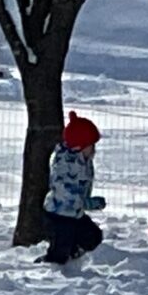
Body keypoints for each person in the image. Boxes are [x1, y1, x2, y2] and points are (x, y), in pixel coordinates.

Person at [42, 111, 107, 266]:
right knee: (60, 251)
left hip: (75, 213)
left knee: (93, 237)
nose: (94, 150)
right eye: (91, 146)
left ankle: (74, 252)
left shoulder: (83, 160)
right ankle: (48, 266)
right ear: (80, 146)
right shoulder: (66, 165)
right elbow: (67, 194)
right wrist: (88, 203)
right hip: (59, 214)